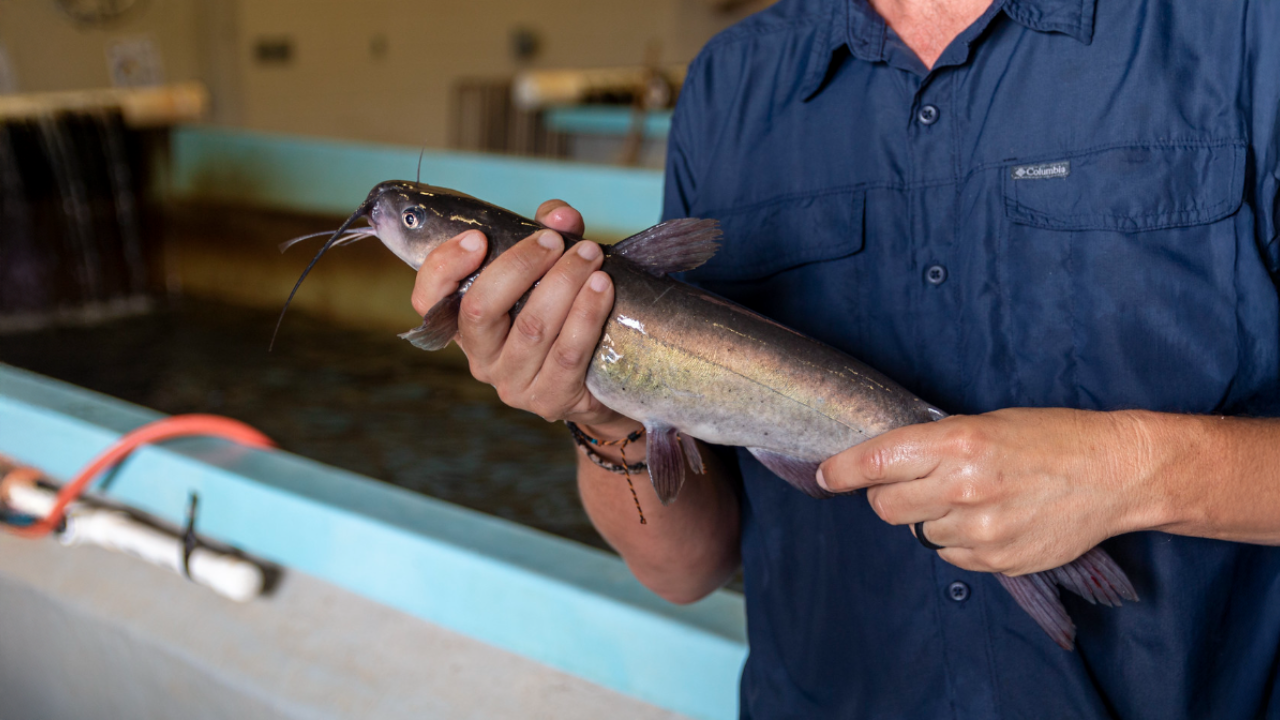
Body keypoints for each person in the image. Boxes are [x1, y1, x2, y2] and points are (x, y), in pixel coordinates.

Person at [411, 0, 1280, 716]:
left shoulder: (1243, 30)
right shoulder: (733, 84)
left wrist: (1137, 468)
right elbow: (682, 569)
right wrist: (600, 411)